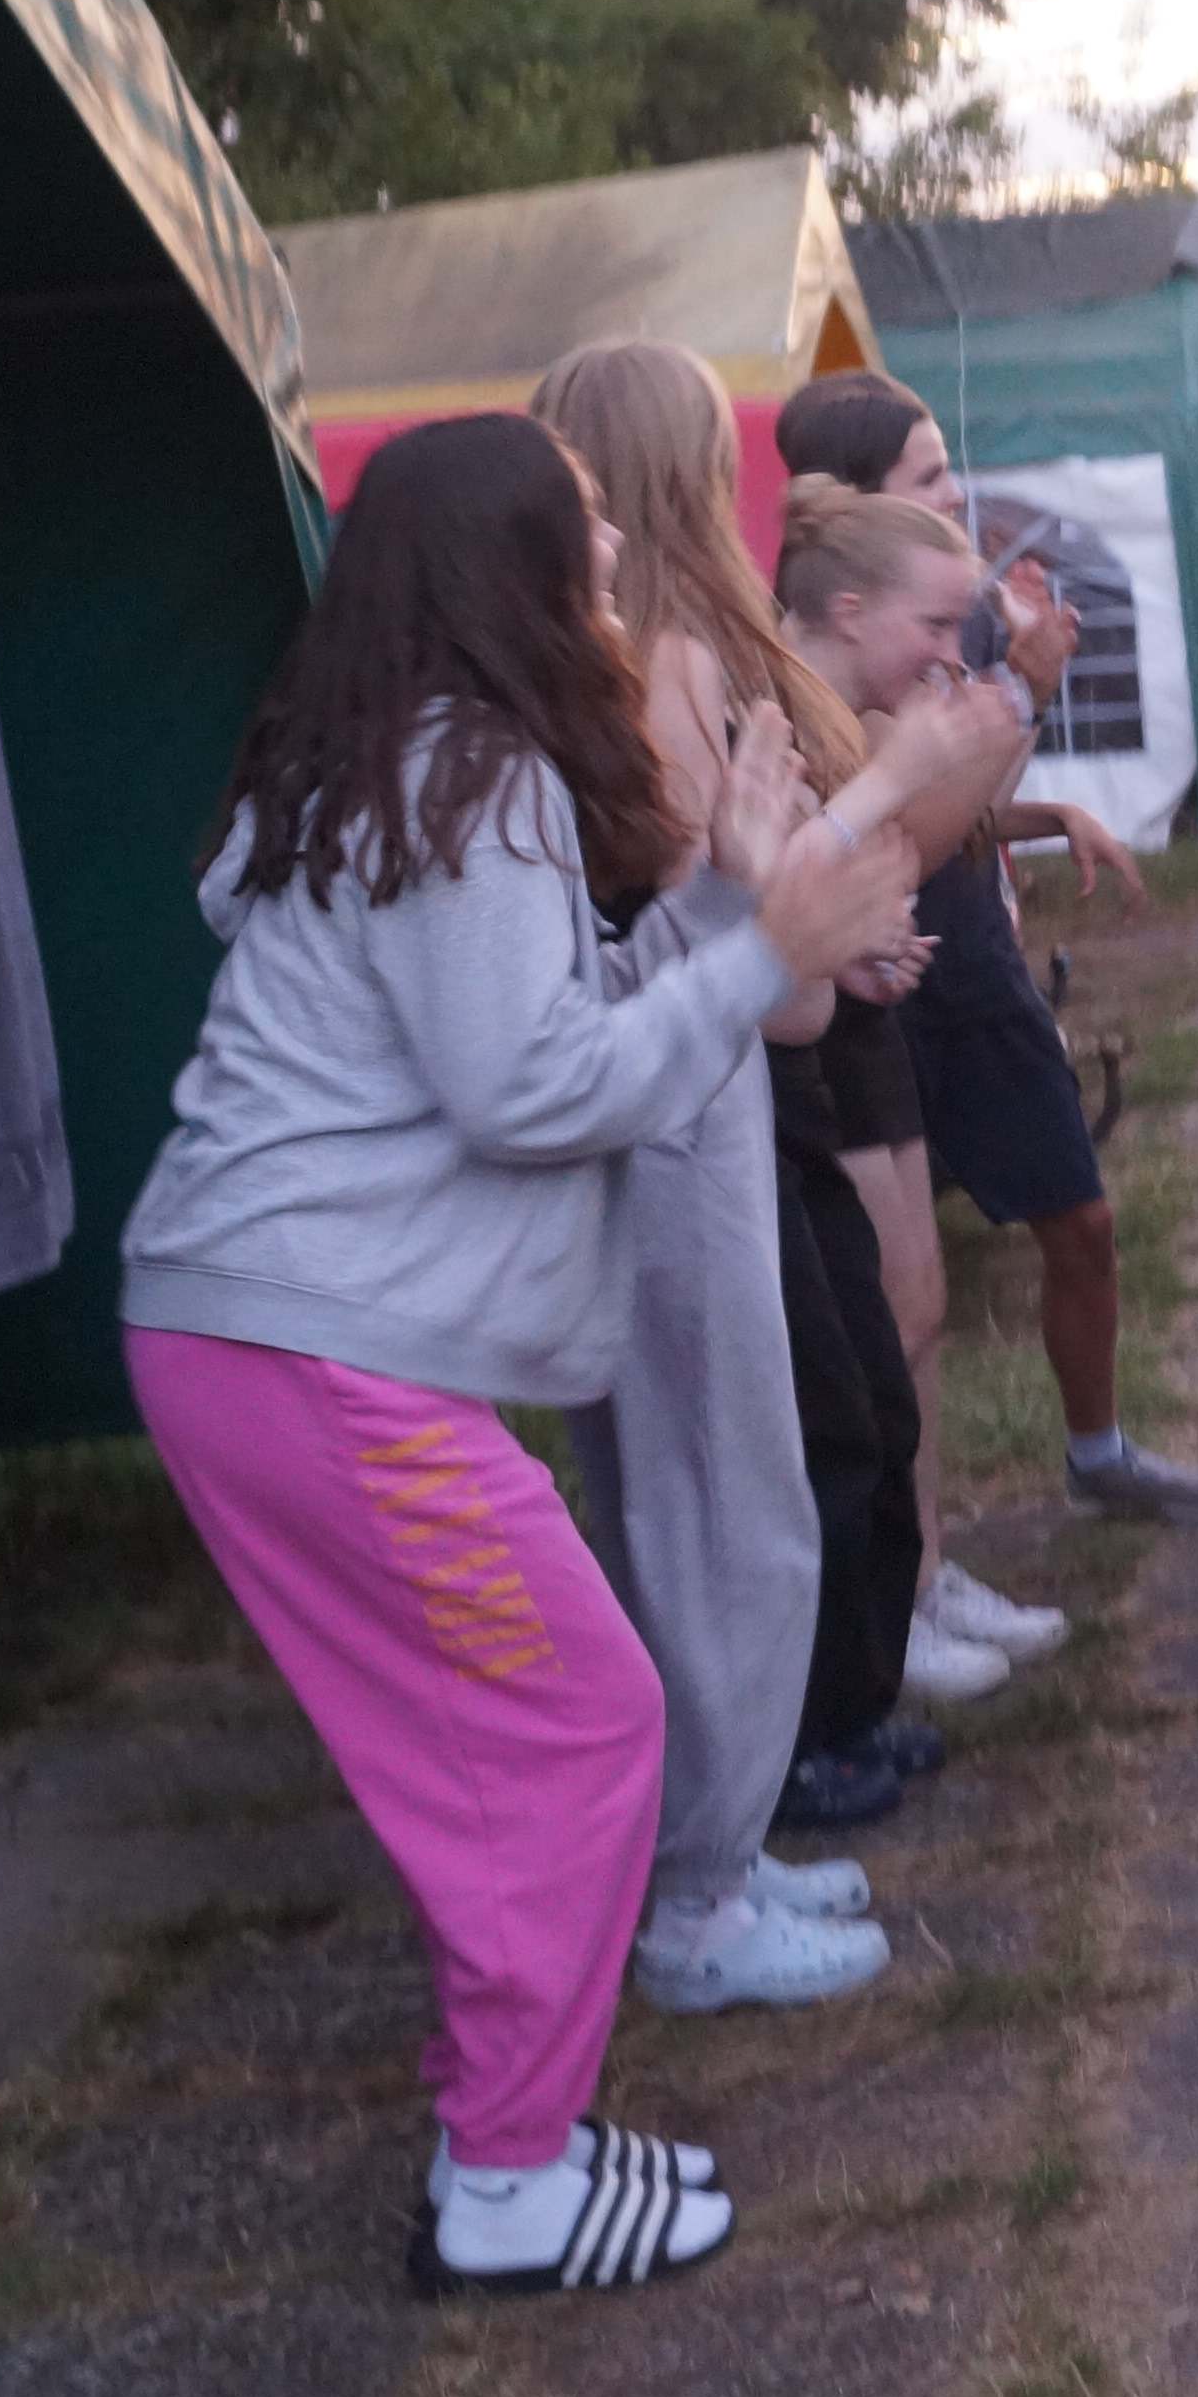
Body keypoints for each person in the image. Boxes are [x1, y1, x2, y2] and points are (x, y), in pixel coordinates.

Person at [113, 414, 927, 2295]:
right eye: (586, 533)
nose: (619, 561)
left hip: (275, 1344)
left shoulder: (422, 760)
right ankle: (505, 2175)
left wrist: (724, 909)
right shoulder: (472, 777)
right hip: (314, 1354)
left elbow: (556, 1024)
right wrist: (765, 947)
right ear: (510, 566)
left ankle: (520, 2139)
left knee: (519, 1737)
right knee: (569, 1726)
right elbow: (539, 1092)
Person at [532, 339, 933, 2007]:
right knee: (723, 1499)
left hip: (661, 1104)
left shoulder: (595, 655)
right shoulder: (673, 659)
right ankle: (699, 1889)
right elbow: (731, 921)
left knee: (687, 1496)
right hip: (687, 1116)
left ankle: (717, 1847)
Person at [776, 372, 1198, 1545]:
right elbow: (901, 837)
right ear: (864, 508)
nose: (956, 490)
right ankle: (912, 1567)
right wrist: (1024, 696)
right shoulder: (838, 665)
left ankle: (1085, 1460)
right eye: (930, 472)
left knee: (1060, 1225)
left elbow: (950, 801)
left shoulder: (922, 630)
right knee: (902, 1301)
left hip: (959, 958)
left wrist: (1040, 804)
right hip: (896, 985)